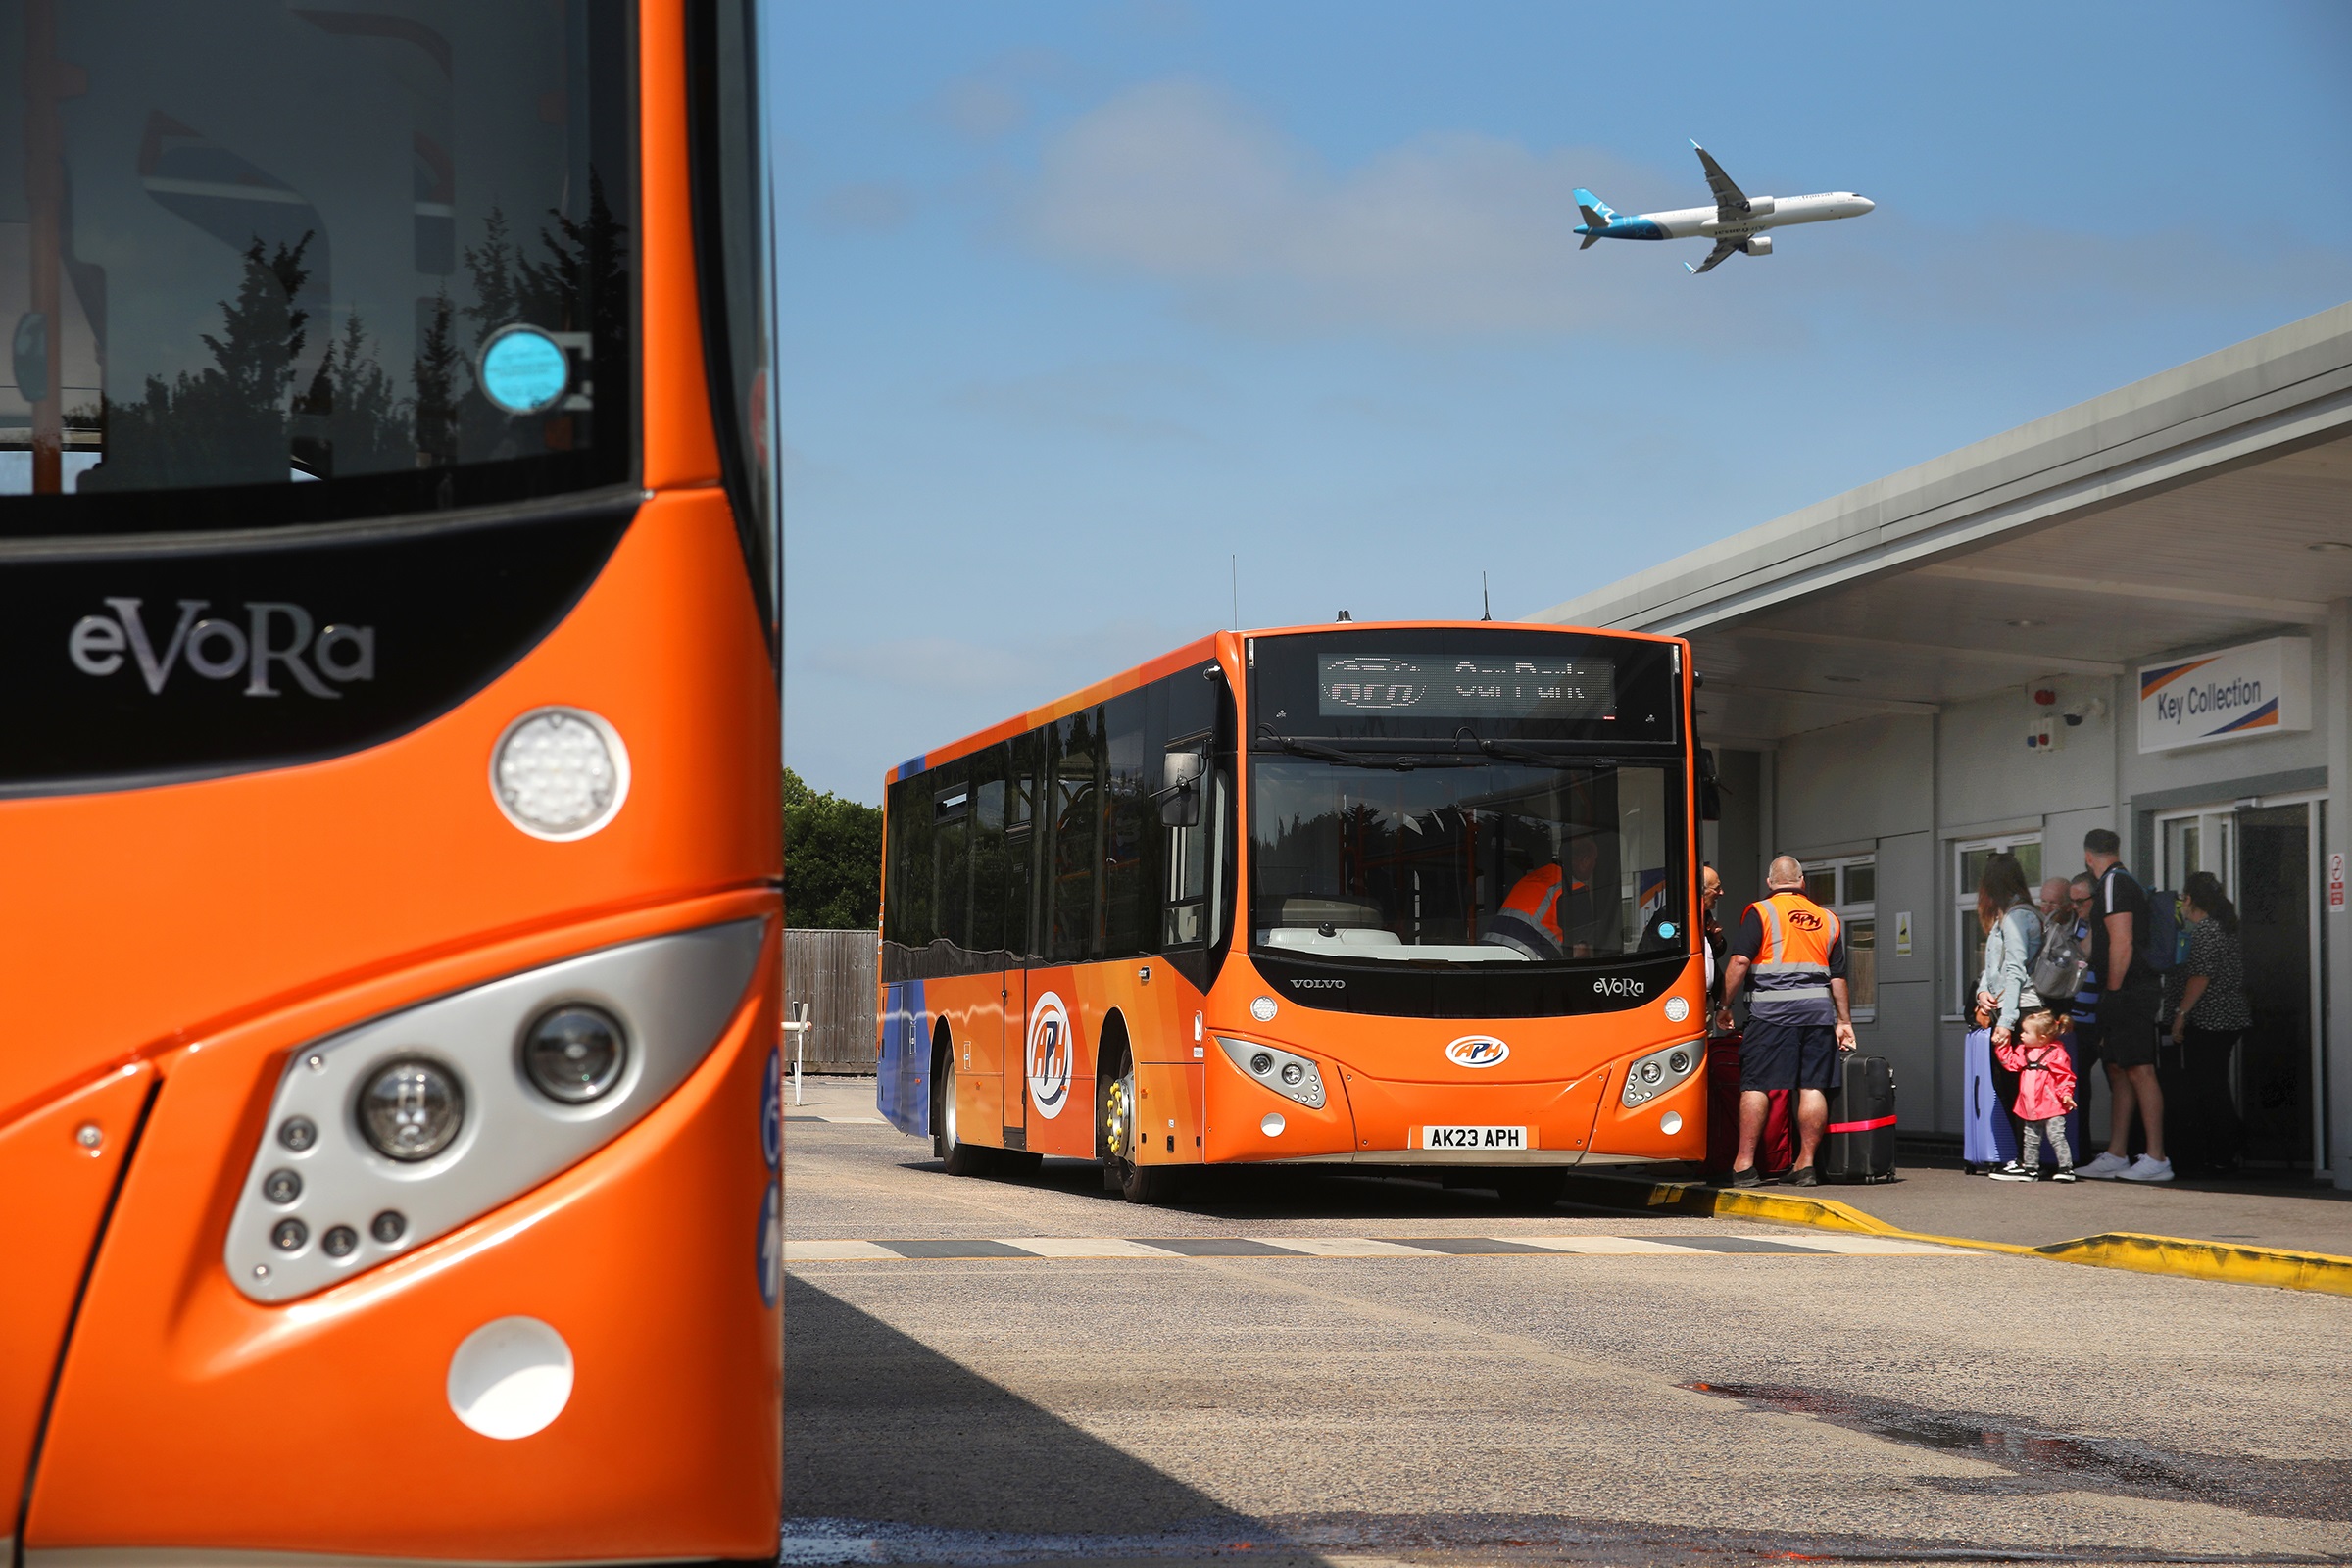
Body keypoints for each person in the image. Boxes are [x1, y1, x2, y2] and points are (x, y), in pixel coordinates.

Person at [1720, 855, 1856, 1188]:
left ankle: (1744, 1165)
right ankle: (1806, 1165)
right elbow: (1837, 977)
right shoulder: (1828, 919)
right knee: (1812, 1086)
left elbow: (1739, 961)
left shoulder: (1762, 912)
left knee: (1756, 1084)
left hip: (1770, 1017)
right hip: (1817, 1016)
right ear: (1802, 882)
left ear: (1770, 882)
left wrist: (1724, 1004)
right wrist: (1844, 1020)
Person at [2076, 829, 2171, 1182]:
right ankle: (2117, 1153)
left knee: (2140, 1068)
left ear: (2088, 857)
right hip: (2122, 991)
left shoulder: (2115, 884)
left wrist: (2112, 993)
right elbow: (2100, 944)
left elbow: (2123, 941)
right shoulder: (2114, 885)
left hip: (2128, 992)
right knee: (2118, 1068)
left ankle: (2157, 1157)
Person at [2169, 870, 2251, 1174]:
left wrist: (2181, 1015)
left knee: (2208, 1085)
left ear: (2189, 900)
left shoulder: (2206, 931)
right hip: (2230, 1016)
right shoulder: (2225, 927)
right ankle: (2228, 1142)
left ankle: (2224, 1147)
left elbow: (2199, 978)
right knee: (2214, 1083)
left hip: (2211, 1020)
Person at [1971, 853, 2042, 1178]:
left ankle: (2023, 1161)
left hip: (2019, 1009)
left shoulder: (2015, 918)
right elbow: (1995, 969)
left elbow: (2014, 970)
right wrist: (1981, 992)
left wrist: (2007, 1021)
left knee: (2016, 1086)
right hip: (2012, 1007)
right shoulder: (2014, 914)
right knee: (2014, 1086)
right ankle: (2020, 1158)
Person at [1485, 835, 1615, 959]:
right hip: (1525, 965)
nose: (1595, 866)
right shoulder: (1573, 888)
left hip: (1490, 956)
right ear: (1585, 860)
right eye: (1595, 859)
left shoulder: (1532, 878)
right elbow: (1580, 951)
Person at [1990, 1008, 2078, 1182]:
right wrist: (2002, 1046)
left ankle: (2066, 1168)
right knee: (2030, 1139)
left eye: (2026, 1032)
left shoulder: (2056, 1053)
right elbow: (2011, 1064)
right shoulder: (2024, 1051)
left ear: (2042, 1037)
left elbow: (2065, 1077)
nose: (2021, 1035)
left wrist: (2066, 1095)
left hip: (2052, 1105)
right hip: (2029, 1105)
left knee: (2057, 1137)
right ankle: (2030, 1168)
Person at [2066, 871, 2102, 1139]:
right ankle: (2079, 1148)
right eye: (2072, 902)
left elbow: (2084, 955)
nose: (2076, 907)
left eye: (2081, 901)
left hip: (2096, 1021)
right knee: (2077, 1086)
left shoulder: (2102, 925)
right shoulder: (2076, 923)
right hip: (2076, 1019)